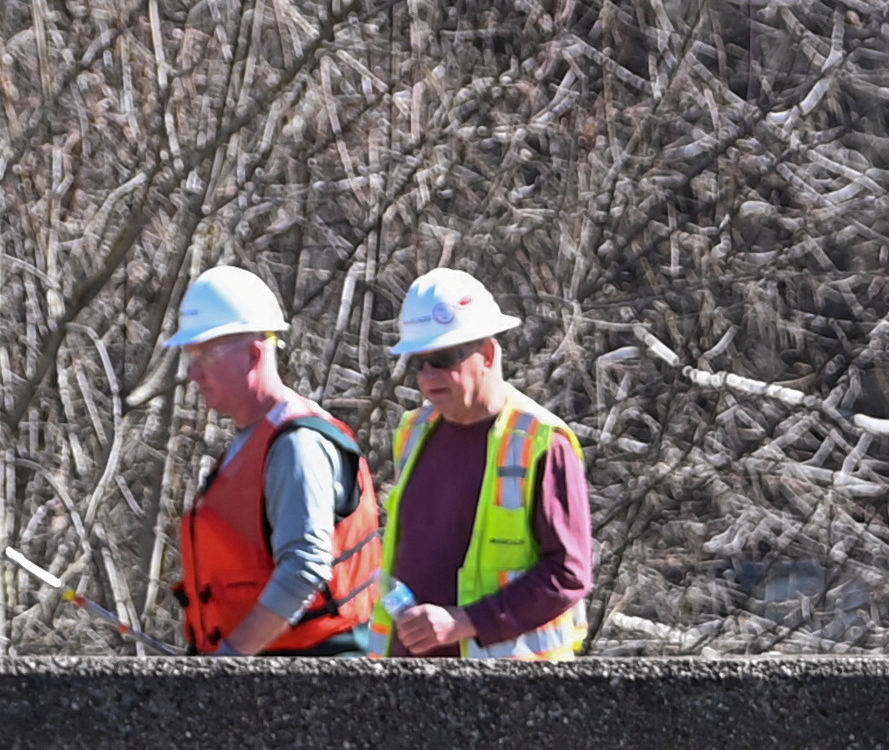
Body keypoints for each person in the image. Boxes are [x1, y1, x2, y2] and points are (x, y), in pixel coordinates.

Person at [158, 266, 386, 657]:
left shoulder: (298, 444)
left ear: (254, 353)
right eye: (189, 355)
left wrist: (230, 659)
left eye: (206, 353)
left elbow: (304, 569)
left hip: (310, 676)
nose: (194, 372)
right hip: (267, 673)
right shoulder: (253, 442)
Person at [374, 268, 595, 662]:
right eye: (418, 363)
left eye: (441, 359)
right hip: (407, 680)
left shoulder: (542, 442)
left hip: (506, 692)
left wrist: (466, 621)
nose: (427, 377)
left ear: (488, 355)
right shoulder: (413, 431)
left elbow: (568, 573)